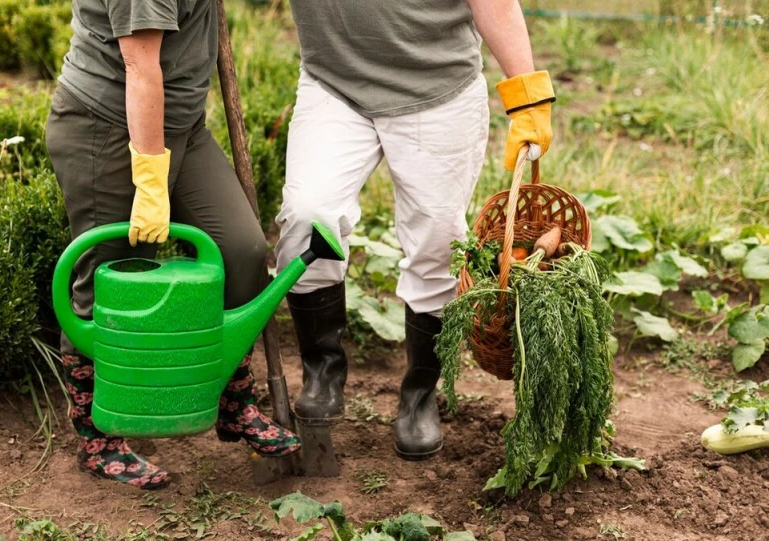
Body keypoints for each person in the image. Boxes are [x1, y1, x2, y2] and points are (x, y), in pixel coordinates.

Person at [275, 0, 555, 460]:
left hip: (438, 90)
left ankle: (420, 394)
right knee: (309, 215)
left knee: (437, 242)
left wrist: (526, 95)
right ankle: (322, 368)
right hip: (335, 84)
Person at [46, 0, 301, 490]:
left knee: (241, 251)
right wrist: (150, 181)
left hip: (180, 125)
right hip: (108, 125)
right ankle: (98, 439)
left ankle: (232, 404)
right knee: (106, 277)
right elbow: (141, 66)